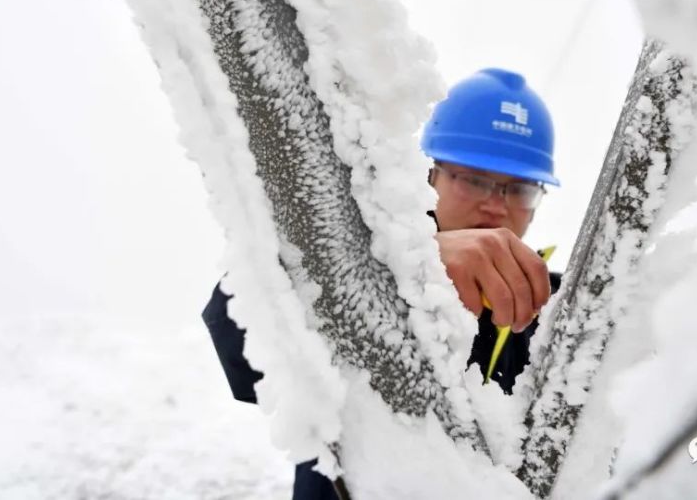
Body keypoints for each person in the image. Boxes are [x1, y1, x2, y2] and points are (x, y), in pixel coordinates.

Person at [202, 68, 561, 500]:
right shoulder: (361, 256)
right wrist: (402, 261)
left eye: (520, 188)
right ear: (431, 174)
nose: (496, 205)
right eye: (475, 179)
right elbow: (239, 333)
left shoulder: (558, 314)